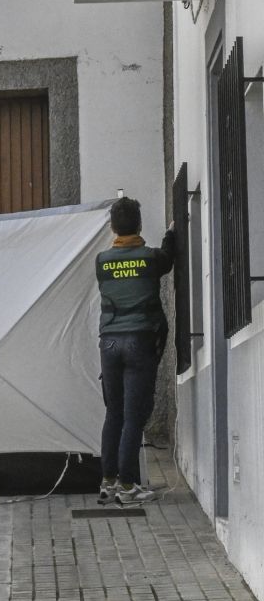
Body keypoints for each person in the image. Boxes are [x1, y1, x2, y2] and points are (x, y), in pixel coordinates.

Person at [95, 195, 176, 508]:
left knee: (113, 413)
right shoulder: (151, 258)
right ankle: (129, 487)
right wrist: (171, 232)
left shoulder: (102, 261)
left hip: (109, 343)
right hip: (139, 342)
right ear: (139, 224)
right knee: (133, 416)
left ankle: (108, 482)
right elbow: (169, 257)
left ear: (113, 227)